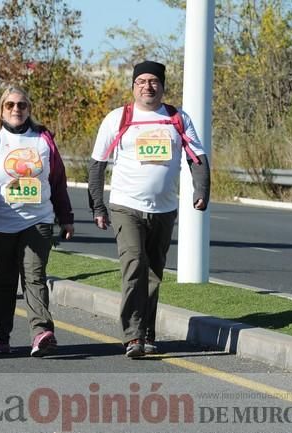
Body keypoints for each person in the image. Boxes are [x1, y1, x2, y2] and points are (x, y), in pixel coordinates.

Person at [87, 60, 211, 358]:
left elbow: (197, 157)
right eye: (141, 81)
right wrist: (97, 206)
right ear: (133, 86)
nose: (147, 86)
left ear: (162, 86)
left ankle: (147, 334)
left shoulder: (177, 118)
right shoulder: (118, 118)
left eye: (153, 81)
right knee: (134, 265)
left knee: (154, 272)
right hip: (125, 206)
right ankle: (132, 336)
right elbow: (97, 164)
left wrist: (201, 191)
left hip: (164, 209)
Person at [0, 86, 74, 357]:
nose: (16, 110)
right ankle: (0, 334)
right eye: (10, 105)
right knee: (4, 278)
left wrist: (66, 218)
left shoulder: (43, 139)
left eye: (22, 105)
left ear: (29, 108)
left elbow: (58, 181)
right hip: (2, 222)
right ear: (2, 109)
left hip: (38, 220)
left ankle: (41, 332)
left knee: (34, 275)